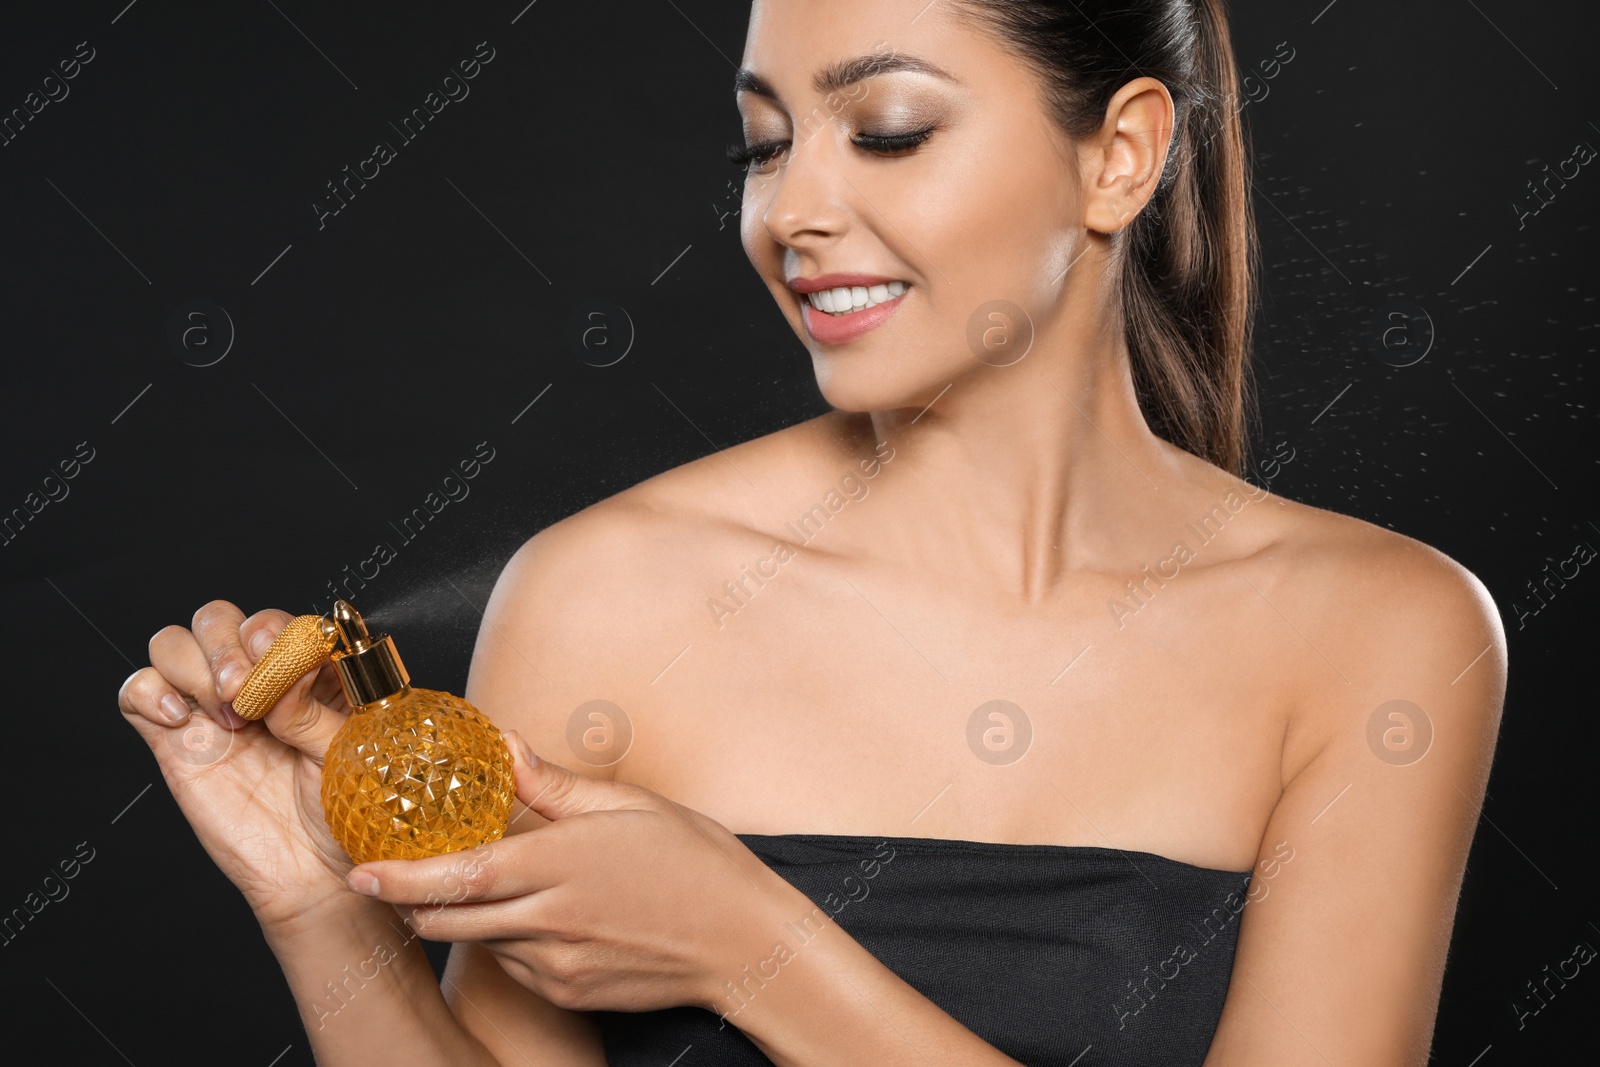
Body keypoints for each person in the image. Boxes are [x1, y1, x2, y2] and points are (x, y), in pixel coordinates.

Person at [117, 1, 1505, 1064]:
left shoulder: (1381, 634)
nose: (794, 212)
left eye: (888, 129)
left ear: (1123, 155)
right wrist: (321, 910)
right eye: (765, 144)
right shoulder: (603, 596)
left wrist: (752, 948)